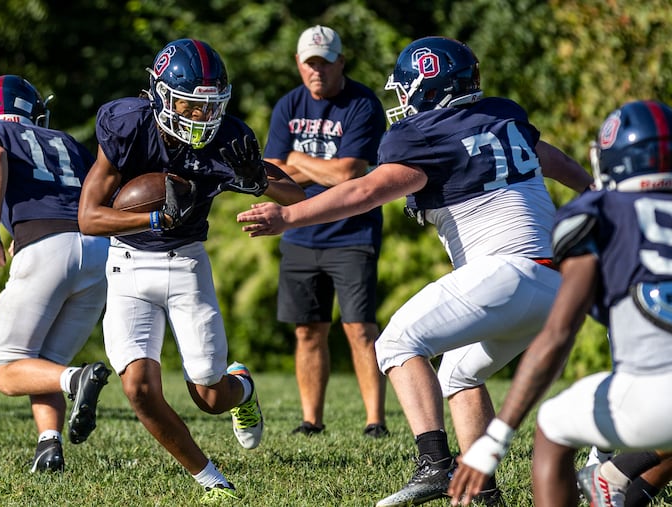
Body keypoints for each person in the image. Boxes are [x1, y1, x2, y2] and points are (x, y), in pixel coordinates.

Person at [237, 36, 592, 506]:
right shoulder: (502, 118)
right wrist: (602, 193)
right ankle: (481, 490)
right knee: (459, 376)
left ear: (428, 88)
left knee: (396, 342)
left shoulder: (422, 134)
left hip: (505, 272)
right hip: (554, 285)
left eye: (405, 89)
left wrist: (288, 217)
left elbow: (364, 191)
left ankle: (435, 466)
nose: (401, 100)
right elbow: (558, 162)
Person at [77, 39, 304, 503]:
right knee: (139, 388)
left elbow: (298, 199)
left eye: (210, 107)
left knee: (211, 398)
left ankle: (242, 386)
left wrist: (259, 179)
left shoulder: (227, 137)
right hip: (127, 263)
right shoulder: (127, 124)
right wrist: (154, 217)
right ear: (160, 95)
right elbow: (89, 217)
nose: (201, 118)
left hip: (186, 264)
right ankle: (211, 480)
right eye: (189, 106)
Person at [447, 100, 672, 507]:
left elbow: (559, 333)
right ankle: (621, 485)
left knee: (551, 424)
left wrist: (496, 438)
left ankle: (612, 482)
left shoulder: (599, 213)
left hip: (650, 393)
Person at [0, 75, 112, 473]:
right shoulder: (67, 142)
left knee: (7, 371)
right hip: (98, 251)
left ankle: (77, 380)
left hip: (46, 245)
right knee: (44, 363)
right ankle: (48, 446)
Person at [263, 25, 388, 437]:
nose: (317, 71)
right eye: (309, 63)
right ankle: (310, 420)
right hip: (299, 234)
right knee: (307, 329)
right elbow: (269, 174)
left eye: (325, 62)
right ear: (299, 64)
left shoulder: (363, 104)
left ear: (341, 62)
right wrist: (319, 170)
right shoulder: (288, 105)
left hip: (352, 234)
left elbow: (350, 172)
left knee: (360, 328)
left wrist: (297, 159)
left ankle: (375, 422)